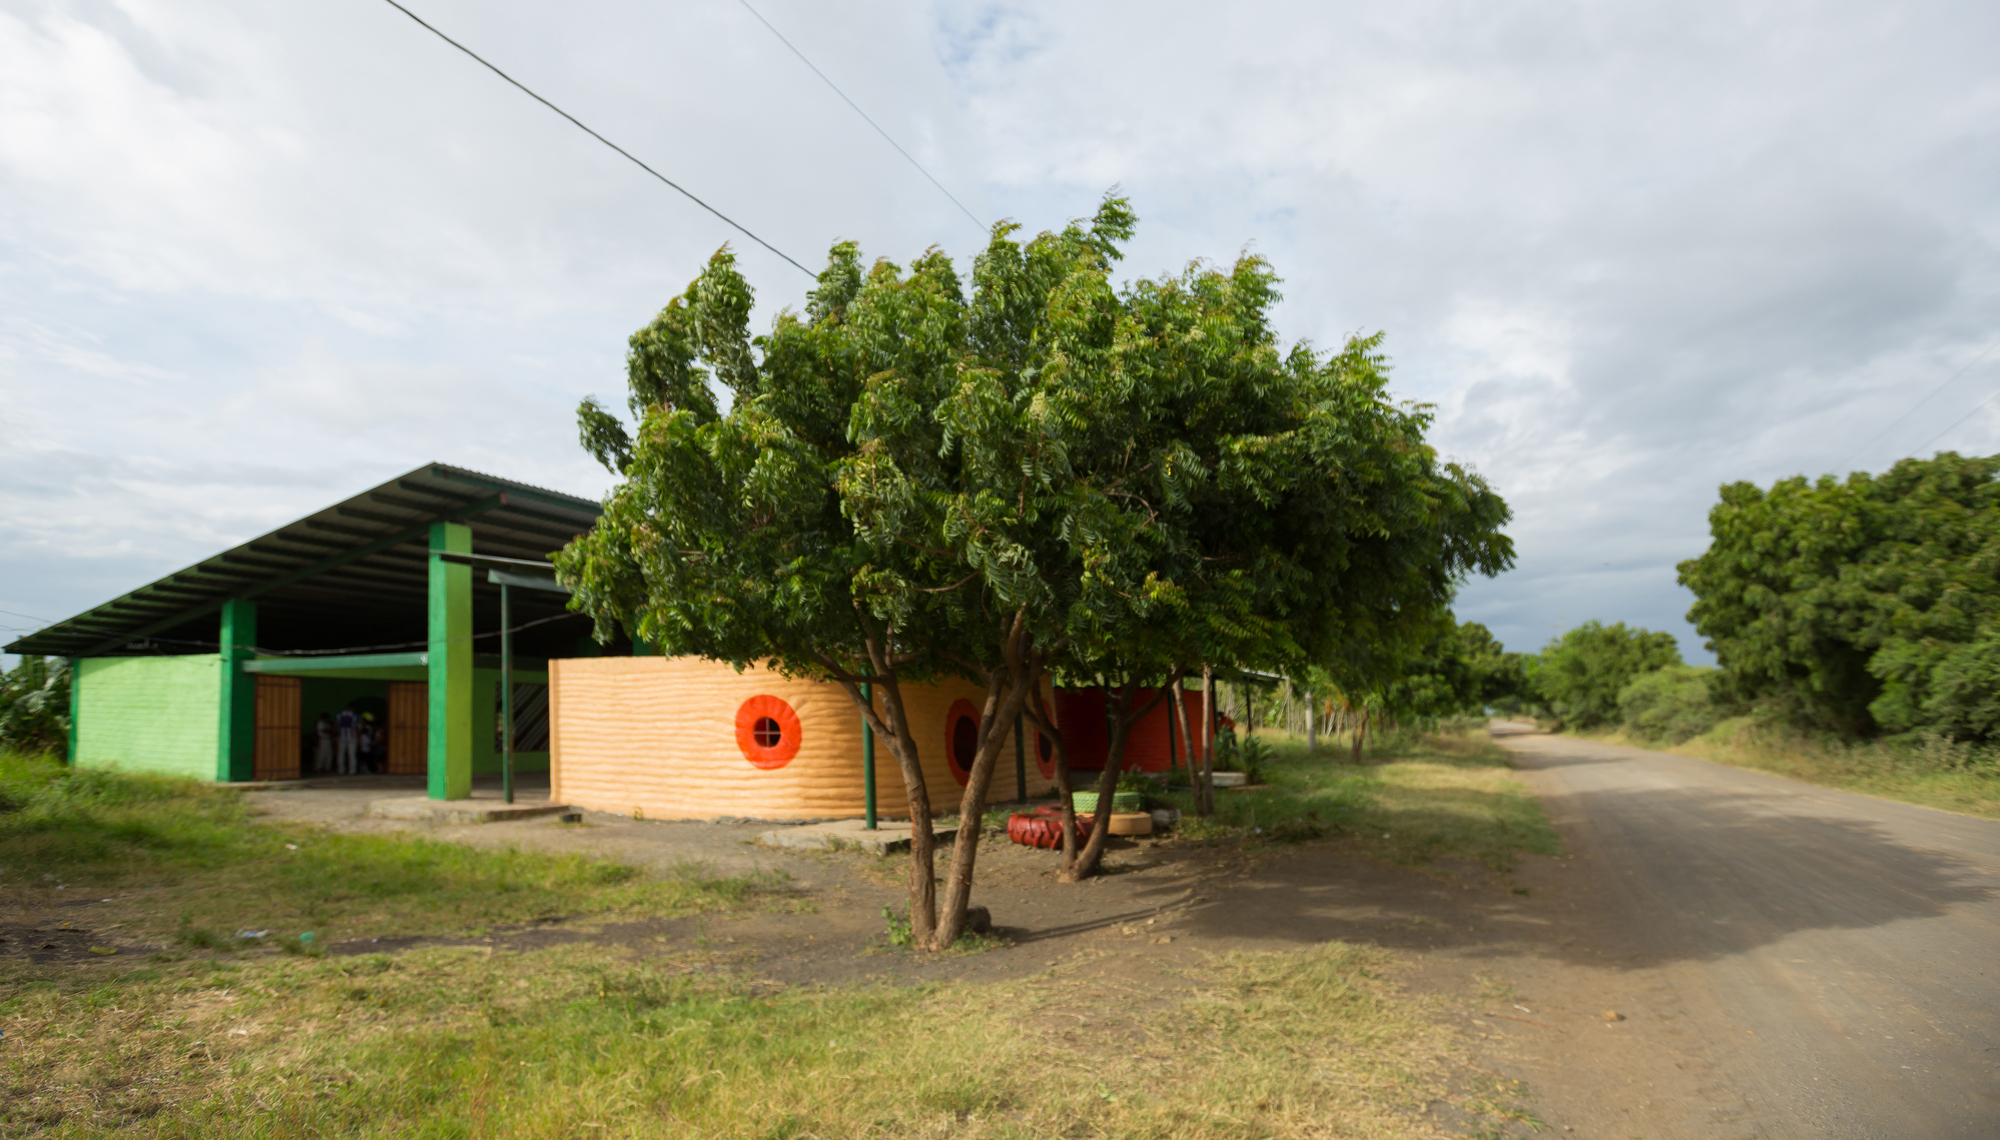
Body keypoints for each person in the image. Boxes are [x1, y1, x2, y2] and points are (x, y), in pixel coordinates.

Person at [336, 704, 359, 776]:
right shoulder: (354, 716)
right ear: (352, 708)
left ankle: (341, 770)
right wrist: (358, 737)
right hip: (352, 737)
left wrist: (335, 735)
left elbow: (335, 725)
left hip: (341, 737)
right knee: (352, 754)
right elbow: (356, 727)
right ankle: (352, 771)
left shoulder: (339, 715)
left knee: (340, 754)